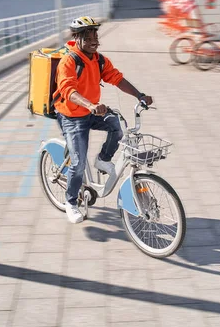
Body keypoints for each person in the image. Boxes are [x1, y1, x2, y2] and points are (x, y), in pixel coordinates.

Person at [54, 16, 153, 223]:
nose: (94, 40)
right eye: (88, 36)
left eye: (95, 35)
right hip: (72, 116)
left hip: (91, 112)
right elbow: (68, 91)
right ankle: (71, 202)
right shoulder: (69, 61)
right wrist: (90, 105)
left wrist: (139, 95)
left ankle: (102, 160)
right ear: (77, 38)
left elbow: (117, 78)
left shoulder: (99, 60)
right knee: (79, 163)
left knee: (117, 126)